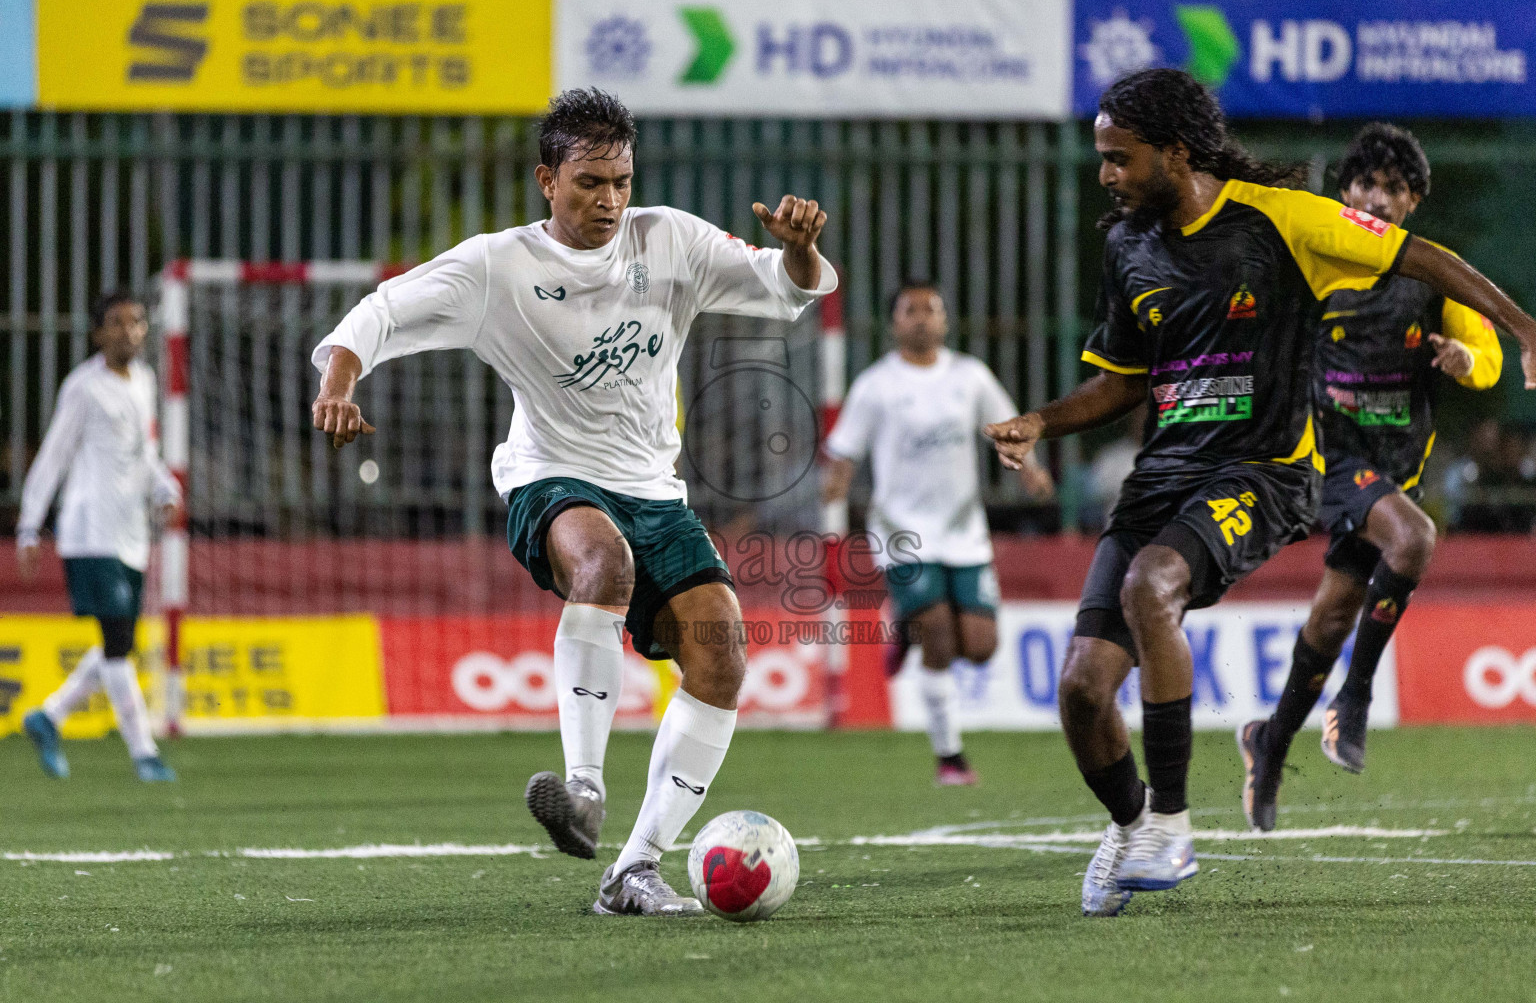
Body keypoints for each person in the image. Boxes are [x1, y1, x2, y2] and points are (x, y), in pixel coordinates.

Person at [984, 69, 1536, 918]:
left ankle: (1169, 822)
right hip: (1164, 479)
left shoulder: (1281, 217)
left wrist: (1524, 329)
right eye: (1102, 159)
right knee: (1082, 689)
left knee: (1148, 587)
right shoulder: (1128, 246)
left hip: (1266, 472)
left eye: (1119, 158)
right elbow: (1122, 382)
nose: (1106, 175)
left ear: (1175, 151)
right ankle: (1131, 823)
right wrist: (1042, 422)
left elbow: (1420, 254)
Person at [309, 88, 836, 916]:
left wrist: (801, 251)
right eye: (590, 182)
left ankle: (633, 867)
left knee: (724, 651)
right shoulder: (498, 266)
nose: (610, 200)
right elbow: (377, 313)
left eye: (621, 180)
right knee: (603, 561)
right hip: (548, 473)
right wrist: (339, 384)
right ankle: (583, 789)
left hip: (655, 489)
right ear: (546, 180)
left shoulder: (672, 239)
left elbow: (789, 288)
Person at [1238, 124, 1503, 831]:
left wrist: (1464, 360)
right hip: (1331, 458)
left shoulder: (1432, 273)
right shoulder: (1320, 264)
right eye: (1365, 185)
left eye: (1393, 189)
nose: (1377, 200)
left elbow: (1488, 352)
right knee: (1414, 541)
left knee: (1330, 616)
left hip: (1392, 472)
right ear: (1344, 192)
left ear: (1413, 202)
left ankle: (1269, 742)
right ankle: (1352, 702)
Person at [822, 279, 1052, 786]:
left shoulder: (969, 376)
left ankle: (905, 628)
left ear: (945, 320)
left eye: (932, 309)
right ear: (895, 322)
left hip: (964, 530)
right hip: (901, 533)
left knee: (981, 644)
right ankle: (950, 757)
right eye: (911, 310)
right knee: (942, 640)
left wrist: (1030, 468)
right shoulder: (876, 385)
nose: (922, 318)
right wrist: (835, 484)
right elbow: (844, 450)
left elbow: (1008, 426)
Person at [16, 291, 181, 782]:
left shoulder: (145, 381)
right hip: (89, 533)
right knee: (115, 643)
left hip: (131, 532)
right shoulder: (82, 388)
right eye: (116, 323)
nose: (128, 331)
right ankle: (144, 753)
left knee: (120, 641)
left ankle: (49, 716)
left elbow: (144, 451)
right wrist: (29, 523)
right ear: (98, 334)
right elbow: (54, 456)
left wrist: (163, 487)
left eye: (136, 322)